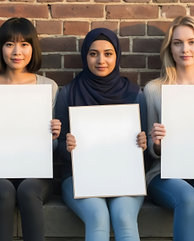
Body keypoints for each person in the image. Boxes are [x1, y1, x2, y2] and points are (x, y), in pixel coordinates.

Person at [56, 28, 147, 241]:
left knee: (124, 218)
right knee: (98, 217)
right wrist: (67, 148)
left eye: (108, 53)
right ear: (85, 55)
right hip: (79, 177)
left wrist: (143, 144)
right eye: (93, 53)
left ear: (117, 55)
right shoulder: (69, 92)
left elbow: (145, 150)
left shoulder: (134, 94)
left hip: (125, 177)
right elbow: (59, 147)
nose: (101, 60)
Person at [0, 17, 61, 241]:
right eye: (9, 44)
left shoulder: (47, 87)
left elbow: (52, 147)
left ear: (33, 48)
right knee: (3, 190)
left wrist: (53, 135)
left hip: (36, 169)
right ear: (0, 48)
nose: (17, 51)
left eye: (24, 44)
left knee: (28, 190)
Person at [144, 15, 194, 241]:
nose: (185, 49)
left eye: (192, 42)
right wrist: (156, 143)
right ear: (170, 49)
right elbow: (151, 152)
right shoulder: (154, 89)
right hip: (165, 173)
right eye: (178, 43)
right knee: (187, 198)